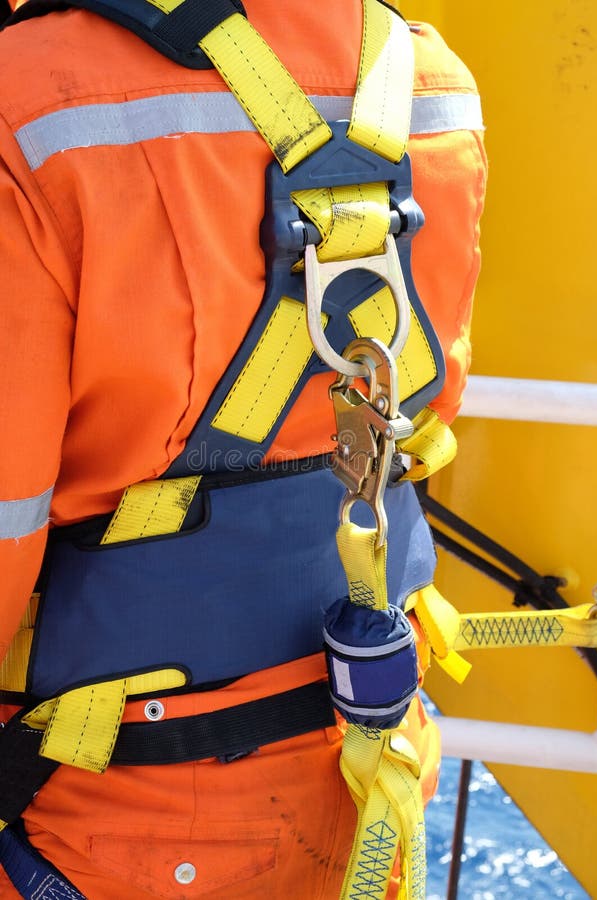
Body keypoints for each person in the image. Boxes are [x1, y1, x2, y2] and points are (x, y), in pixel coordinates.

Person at [0, 0, 487, 897]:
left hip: (105, 815)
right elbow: (425, 420)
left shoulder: (27, 103)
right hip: (369, 774)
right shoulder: (428, 75)